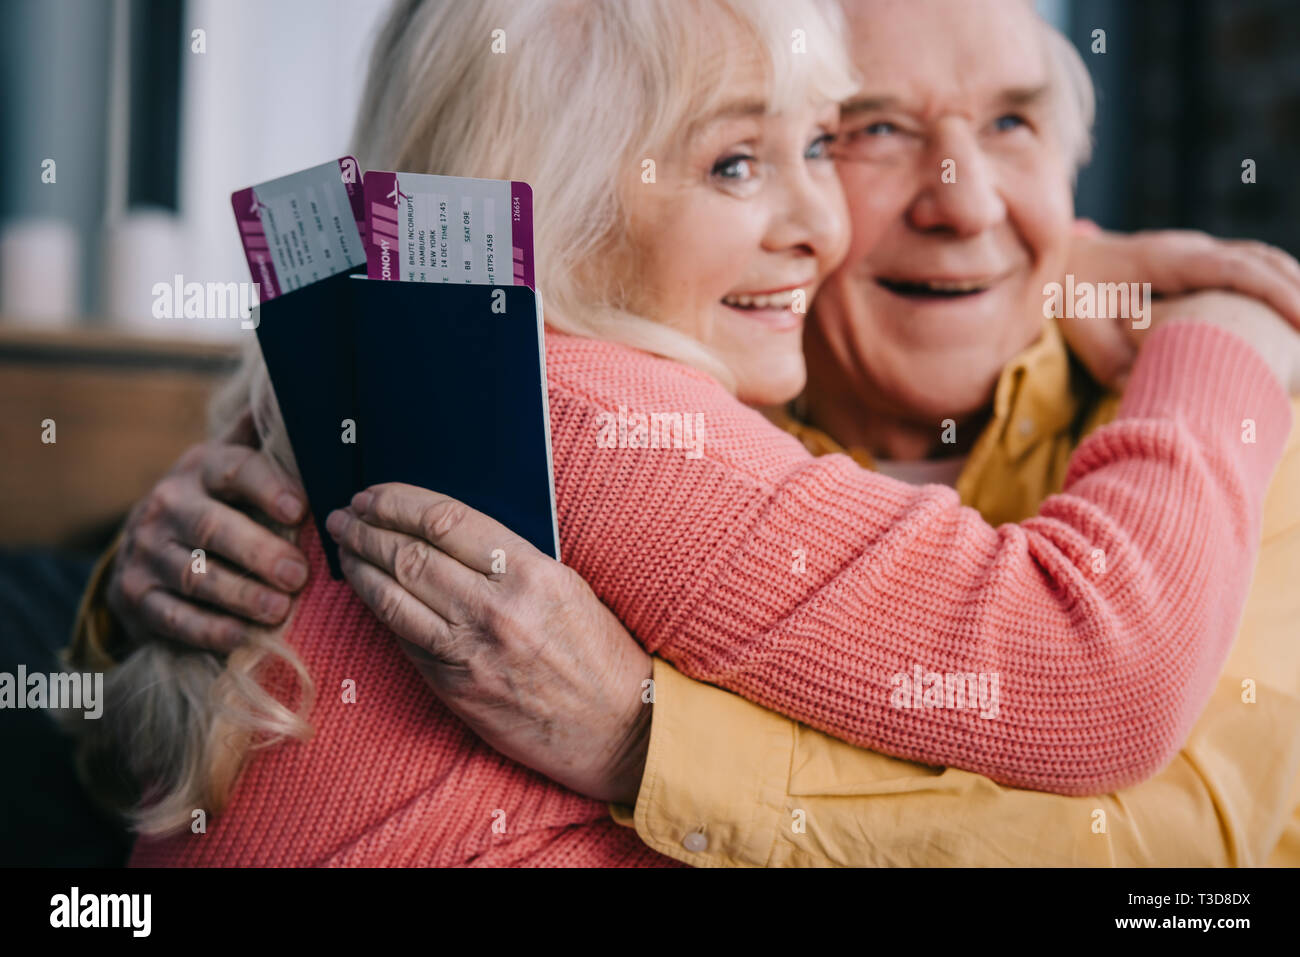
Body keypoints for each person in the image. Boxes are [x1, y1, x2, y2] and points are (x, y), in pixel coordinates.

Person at [68, 0, 1298, 866]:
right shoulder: (617, 415)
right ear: (557, 204)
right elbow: (1097, 662)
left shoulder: (413, 389)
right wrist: (1229, 332)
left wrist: (639, 745)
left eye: (1014, 127)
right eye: (860, 131)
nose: (961, 201)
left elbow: (1167, 857)